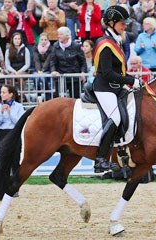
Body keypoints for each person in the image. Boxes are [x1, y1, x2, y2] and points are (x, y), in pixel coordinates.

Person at [92, 5, 141, 172]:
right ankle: (100, 159)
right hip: (105, 88)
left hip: (115, 87)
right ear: (111, 23)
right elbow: (106, 73)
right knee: (116, 117)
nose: (124, 26)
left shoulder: (116, 40)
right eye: (122, 23)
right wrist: (130, 80)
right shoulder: (105, 44)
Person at [0, 84, 25, 194]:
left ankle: (14, 187)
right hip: (2, 133)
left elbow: (19, 122)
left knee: (15, 161)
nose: (1, 94)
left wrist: (10, 112)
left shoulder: (19, 107)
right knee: (3, 161)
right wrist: (1, 112)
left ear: (11, 94)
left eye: (4, 92)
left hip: (14, 133)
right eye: (1, 92)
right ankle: (2, 187)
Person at [50, 26, 87, 98]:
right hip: (60, 77)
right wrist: (53, 70)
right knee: (59, 99)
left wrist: (83, 72)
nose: (58, 36)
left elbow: (82, 61)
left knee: (75, 98)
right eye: (58, 34)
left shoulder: (76, 46)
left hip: (74, 77)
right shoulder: (55, 46)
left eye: (61, 34)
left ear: (67, 36)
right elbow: (53, 61)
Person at [33, 32, 54, 100]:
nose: (43, 41)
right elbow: (36, 60)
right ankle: (38, 95)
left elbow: (48, 60)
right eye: (42, 40)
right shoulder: (35, 48)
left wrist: (43, 70)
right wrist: (39, 70)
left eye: (45, 40)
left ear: (48, 40)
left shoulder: (51, 48)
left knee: (43, 78)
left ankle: (47, 95)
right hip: (38, 69)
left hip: (47, 69)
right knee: (37, 78)